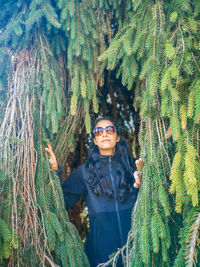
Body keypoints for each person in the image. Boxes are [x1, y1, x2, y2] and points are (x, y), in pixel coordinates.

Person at [45, 117, 142, 267]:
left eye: (110, 130)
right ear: (95, 141)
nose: (104, 134)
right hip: (101, 256)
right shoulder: (84, 172)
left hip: (138, 250)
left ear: (117, 138)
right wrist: (55, 172)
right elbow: (61, 202)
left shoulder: (134, 167)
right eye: (98, 131)